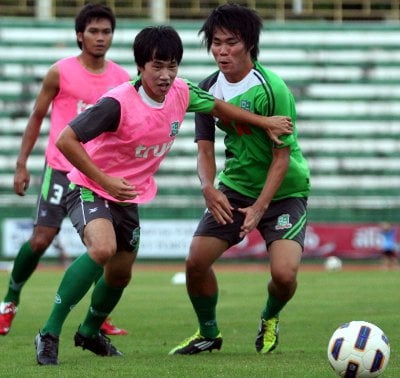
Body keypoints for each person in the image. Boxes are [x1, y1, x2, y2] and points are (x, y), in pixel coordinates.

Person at [33, 25, 293, 365]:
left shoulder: (182, 92)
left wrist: (264, 123)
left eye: (172, 66)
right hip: (89, 186)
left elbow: (219, 108)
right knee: (103, 248)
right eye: (157, 67)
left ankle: (90, 331)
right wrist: (105, 180)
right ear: (141, 67)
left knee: (121, 273)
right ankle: (49, 333)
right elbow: (66, 140)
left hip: (128, 196)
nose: (166, 75)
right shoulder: (117, 103)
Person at [169, 3, 310, 356]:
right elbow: (205, 149)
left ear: (249, 43)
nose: (221, 50)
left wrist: (260, 208)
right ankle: (208, 333)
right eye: (216, 42)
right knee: (195, 262)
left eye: (230, 42)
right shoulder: (207, 88)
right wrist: (207, 187)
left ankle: (270, 318)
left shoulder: (272, 87)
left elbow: (282, 157)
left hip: (284, 192)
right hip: (235, 188)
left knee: (284, 275)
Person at [0, 3, 129, 337]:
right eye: (94, 31)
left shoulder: (121, 78)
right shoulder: (60, 72)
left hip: (98, 173)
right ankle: (10, 300)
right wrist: (21, 164)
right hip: (60, 169)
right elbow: (37, 116)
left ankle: (98, 317)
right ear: (79, 36)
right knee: (42, 239)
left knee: (105, 244)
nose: (101, 38)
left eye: (106, 32)